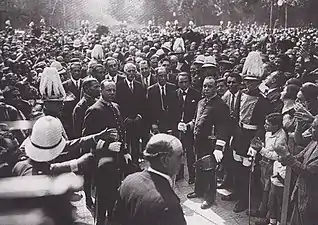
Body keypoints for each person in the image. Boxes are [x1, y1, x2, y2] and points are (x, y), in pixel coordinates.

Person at [82, 80, 131, 225]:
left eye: (114, 90)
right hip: (102, 162)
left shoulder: (116, 107)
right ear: (101, 91)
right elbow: (86, 139)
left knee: (116, 195)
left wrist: (125, 151)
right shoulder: (94, 110)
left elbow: (122, 132)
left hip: (117, 160)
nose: (112, 93)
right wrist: (107, 147)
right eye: (108, 90)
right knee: (103, 199)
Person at [112, 133, 186, 225]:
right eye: (180, 156)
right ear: (165, 160)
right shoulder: (170, 205)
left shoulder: (129, 181)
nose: (183, 160)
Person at [186, 76, 230, 209]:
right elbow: (196, 119)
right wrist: (188, 125)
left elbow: (223, 128)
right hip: (198, 140)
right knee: (198, 166)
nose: (206, 89)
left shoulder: (220, 105)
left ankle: (209, 197)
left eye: (209, 86)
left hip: (211, 143)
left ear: (216, 88)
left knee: (210, 171)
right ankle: (198, 190)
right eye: (204, 86)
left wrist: (219, 147)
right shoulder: (200, 102)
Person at [274, 115, 318, 225]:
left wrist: (287, 156)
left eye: (314, 128)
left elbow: (307, 172)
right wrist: (284, 157)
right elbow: (299, 157)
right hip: (301, 193)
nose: (311, 131)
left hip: (313, 199)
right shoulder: (314, 142)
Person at [116, 63, 146, 163]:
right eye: (129, 71)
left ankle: (136, 163)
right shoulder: (119, 86)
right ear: (125, 72)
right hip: (125, 121)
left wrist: (139, 115)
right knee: (126, 143)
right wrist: (124, 118)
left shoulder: (139, 85)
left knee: (136, 142)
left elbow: (143, 103)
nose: (131, 73)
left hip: (137, 120)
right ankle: (127, 165)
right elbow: (118, 104)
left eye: (133, 71)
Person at [175, 72, 201, 184]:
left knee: (190, 152)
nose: (183, 84)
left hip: (190, 128)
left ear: (189, 82)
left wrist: (190, 124)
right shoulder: (173, 94)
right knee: (177, 152)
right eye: (181, 82)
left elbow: (198, 113)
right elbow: (170, 112)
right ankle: (179, 173)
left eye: (186, 82)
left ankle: (192, 175)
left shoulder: (196, 94)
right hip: (177, 128)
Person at [146, 66, 177, 133]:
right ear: (156, 77)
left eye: (165, 76)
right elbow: (149, 109)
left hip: (171, 122)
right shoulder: (151, 90)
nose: (163, 78)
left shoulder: (173, 87)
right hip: (158, 122)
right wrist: (153, 123)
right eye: (160, 76)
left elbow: (176, 107)